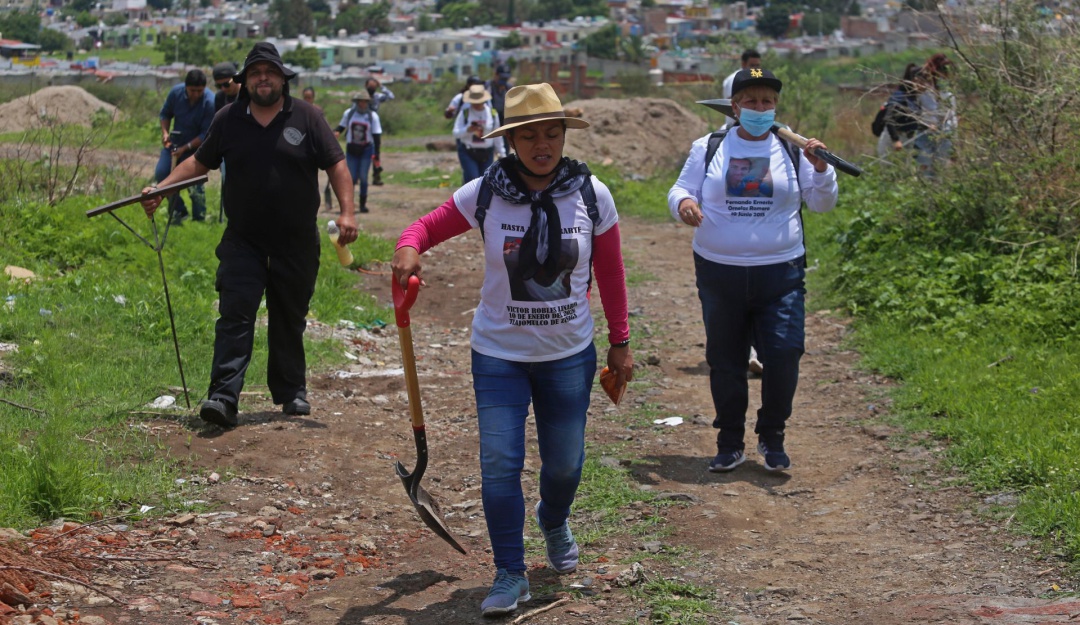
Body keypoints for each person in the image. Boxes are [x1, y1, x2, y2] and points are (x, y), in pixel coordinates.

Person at [391, 82, 633, 618]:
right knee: (500, 461)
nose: (541, 144)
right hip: (498, 352)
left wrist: (620, 342)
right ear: (511, 140)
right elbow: (425, 226)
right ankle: (509, 571)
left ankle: (553, 518)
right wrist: (408, 248)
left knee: (565, 464)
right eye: (528, 135)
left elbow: (611, 272)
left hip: (569, 353)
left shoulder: (593, 195)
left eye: (551, 133)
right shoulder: (487, 192)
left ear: (564, 136)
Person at [139, 41, 358, 428]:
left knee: (289, 317)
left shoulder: (306, 117)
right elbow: (198, 162)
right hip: (244, 240)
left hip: (295, 242)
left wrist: (347, 212)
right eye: (255, 73)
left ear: (282, 79)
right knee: (235, 316)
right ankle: (223, 397)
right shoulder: (228, 119)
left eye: (270, 72)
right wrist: (162, 188)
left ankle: (292, 392)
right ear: (244, 81)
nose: (263, 79)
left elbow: (337, 164)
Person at [667, 68, 838, 473]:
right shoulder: (709, 146)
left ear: (776, 106)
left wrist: (820, 169)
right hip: (719, 271)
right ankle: (729, 442)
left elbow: (822, 204)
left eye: (768, 101)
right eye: (751, 101)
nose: (760, 108)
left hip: (780, 273)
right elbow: (679, 189)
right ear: (735, 106)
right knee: (725, 359)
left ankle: (772, 436)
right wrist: (684, 206)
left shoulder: (794, 149)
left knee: (783, 355)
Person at [155, 68, 215, 224]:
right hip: (174, 146)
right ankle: (178, 212)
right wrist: (165, 133)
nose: (196, 94)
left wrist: (186, 148)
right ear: (185, 87)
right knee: (163, 175)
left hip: (196, 150)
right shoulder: (176, 93)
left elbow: (206, 134)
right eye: (192, 90)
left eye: (199, 91)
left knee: (195, 184)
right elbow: (165, 114)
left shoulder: (210, 101)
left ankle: (199, 219)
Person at [334, 91, 382, 214]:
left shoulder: (372, 116)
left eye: (364, 101)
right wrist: (335, 132)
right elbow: (341, 127)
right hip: (352, 150)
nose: (362, 104)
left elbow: (377, 136)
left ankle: (362, 205)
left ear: (367, 102)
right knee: (351, 178)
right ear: (356, 102)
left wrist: (376, 154)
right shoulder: (349, 113)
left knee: (363, 178)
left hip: (366, 150)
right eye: (360, 101)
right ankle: (348, 205)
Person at [913, 54, 957, 177]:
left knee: (942, 167)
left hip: (945, 133)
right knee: (925, 167)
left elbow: (952, 115)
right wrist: (927, 124)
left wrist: (954, 140)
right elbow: (916, 111)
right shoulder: (922, 90)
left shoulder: (948, 93)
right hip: (925, 133)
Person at [452, 84, 505, 184]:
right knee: (473, 179)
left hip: (487, 153)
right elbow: (455, 133)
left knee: (485, 182)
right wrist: (468, 130)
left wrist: (501, 153)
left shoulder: (492, 114)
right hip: (468, 151)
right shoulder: (465, 113)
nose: (476, 104)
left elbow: (497, 135)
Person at [212, 62, 241, 222]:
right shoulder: (220, 98)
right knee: (228, 182)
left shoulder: (247, 94)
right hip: (227, 148)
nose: (223, 89)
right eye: (218, 85)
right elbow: (217, 126)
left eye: (226, 84)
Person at [875, 63, 921, 159]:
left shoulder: (916, 97)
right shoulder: (900, 96)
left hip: (908, 138)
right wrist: (895, 139)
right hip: (894, 138)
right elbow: (889, 117)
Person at [302, 86, 335, 210]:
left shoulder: (317, 111)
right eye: (305, 97)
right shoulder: (299, 110)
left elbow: (323, 129)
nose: (307, 100)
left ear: (313, 98)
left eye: (309, 97)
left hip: (313, 148)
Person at [720, 49, 762, 129]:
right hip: (734, 127)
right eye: (752, 65)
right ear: (743, 64)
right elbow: (731, 104)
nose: (756, 69)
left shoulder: (758, 78)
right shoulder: (734, 79)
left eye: (758, 65)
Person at [365, 77, 394, 186]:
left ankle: (376, 177)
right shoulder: (362, 98)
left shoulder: (377, 96)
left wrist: (381, 86)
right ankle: (357, 176)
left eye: (374, 86)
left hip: (375, 128)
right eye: (370, 86)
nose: (372, 88)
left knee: (376, 153)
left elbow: (391, 96)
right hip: (363, 129)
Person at [486, 64, 514, 153]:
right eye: (502, 78)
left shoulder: (509, 88)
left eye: (506, 78)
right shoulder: (488, 86)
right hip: (490, 119)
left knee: (506, 144)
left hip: (505, 120)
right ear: (496, 75)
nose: (503, 80)